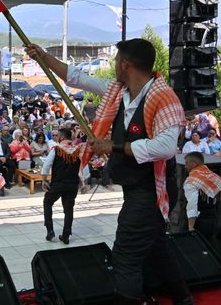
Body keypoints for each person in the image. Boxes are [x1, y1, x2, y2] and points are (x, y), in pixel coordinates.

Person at [25, 39, 192, 304]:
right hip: (135, 187)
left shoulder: (164, 98)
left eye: (116, 60)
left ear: (125, 65)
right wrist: (43, 57)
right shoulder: (118, 91)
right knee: (156, 245)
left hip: (151, 190)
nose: (114, 64)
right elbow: (77, 77)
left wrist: (111, 145)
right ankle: (182, 298)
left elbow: (166, 147)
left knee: (125, 253)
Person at [183, 152, 221, 243]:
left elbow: (192, 205)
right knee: (211, 246)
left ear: (194, 164)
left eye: (186, 163)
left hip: (198, 222)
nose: (185, 166)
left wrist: (190, 228)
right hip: (213, 220)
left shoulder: (191, 180)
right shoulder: (217, 179)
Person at [40, 128, 80, 244]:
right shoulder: (77, 150)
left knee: (47, 202)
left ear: (62, 137)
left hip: (59, 183)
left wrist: (44, 180)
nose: (56, 137)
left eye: (57, 136)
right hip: (72, 184)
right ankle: (66, 235)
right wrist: (83, 182)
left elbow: (47, 165)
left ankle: (50, 230)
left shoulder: (57, 149)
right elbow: (82, 168)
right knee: (68, 209)